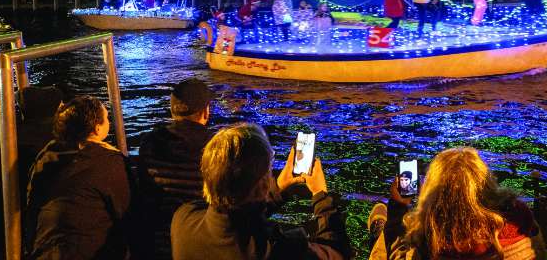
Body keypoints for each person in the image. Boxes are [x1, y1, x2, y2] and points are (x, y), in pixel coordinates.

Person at [171, 123, 350, 260]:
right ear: (263, 185)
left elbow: (234, 215)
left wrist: (278, 187)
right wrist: (321, 195)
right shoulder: (276, 249)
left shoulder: (183, 220)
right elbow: (336, 253)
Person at [367, 147, 547, 260]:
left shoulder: (429, 239)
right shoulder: (521, 222)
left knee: (391, 241)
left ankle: (379, 231)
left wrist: (398, 208)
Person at [25, 96, 133, 260]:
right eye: (106, 118)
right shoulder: (107, 161)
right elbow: (126, 210)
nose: (109, 121)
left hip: (43, 250)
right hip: (86, 252)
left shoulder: (48, 154)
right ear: (97, 128)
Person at [138, 79, 214, 260]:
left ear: (172, 111)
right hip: (201, 241)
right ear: (205, 112)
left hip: (157, 241)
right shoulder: (215, 146)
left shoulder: (149, 143)